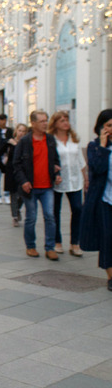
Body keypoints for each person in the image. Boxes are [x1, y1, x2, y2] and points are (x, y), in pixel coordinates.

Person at [13, 109, 62, 260]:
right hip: (31, 187)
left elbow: (56, 160)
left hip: (47, 186)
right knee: (31, 217)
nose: (45, 123)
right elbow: (16, 164)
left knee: (50, 216)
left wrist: (57, 173)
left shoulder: (50, 140)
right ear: (33, 123)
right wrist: (24, 181)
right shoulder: (25, 142)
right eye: (42, 121)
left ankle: (50, 248)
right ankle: (31, 246)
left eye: (46, 120)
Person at [80, 109, 112, 289]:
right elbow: (98, 168)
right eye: (109, 125)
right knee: (107, 238)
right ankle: (111, 276)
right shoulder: (94, 147)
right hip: (105, 200)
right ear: (101, 127)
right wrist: (103, 146)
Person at [49, 110, 87, 256]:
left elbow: (80, 160)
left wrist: (86, 178)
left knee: (77, 209)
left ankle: (75, 243)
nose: (66, 123)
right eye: (62, 120)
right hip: (58, 181)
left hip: (75, 180)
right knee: (55, 212)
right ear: (55, 124)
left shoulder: (74, 139)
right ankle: (57, 241)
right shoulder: (51, 140)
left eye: (67, 120)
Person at [3, 123, 28, 227]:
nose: (21, 133)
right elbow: (0, 152)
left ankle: (17, 209)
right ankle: (14, 217)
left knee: (23, 194)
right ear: (16, 131)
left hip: (23, 172)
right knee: (13, 194)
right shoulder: (10, 142)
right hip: (11, 172)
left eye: (23, 131)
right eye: (20, 130)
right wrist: (3, 167)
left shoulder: (27, 143)